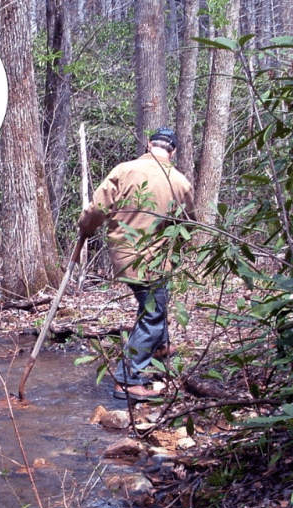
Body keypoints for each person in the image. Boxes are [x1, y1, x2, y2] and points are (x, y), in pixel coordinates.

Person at [76, 128, 195, 401]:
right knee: (152, 313)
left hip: (124, 256)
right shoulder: (180, 181)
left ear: (149, 144)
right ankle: (128, 380)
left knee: (154, 304)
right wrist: (183, 250)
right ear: (173, 151)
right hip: (155, 261)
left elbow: (96, 209)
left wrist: (85, 229)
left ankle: (160, 347)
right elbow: (187, 225)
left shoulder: (124, 170)